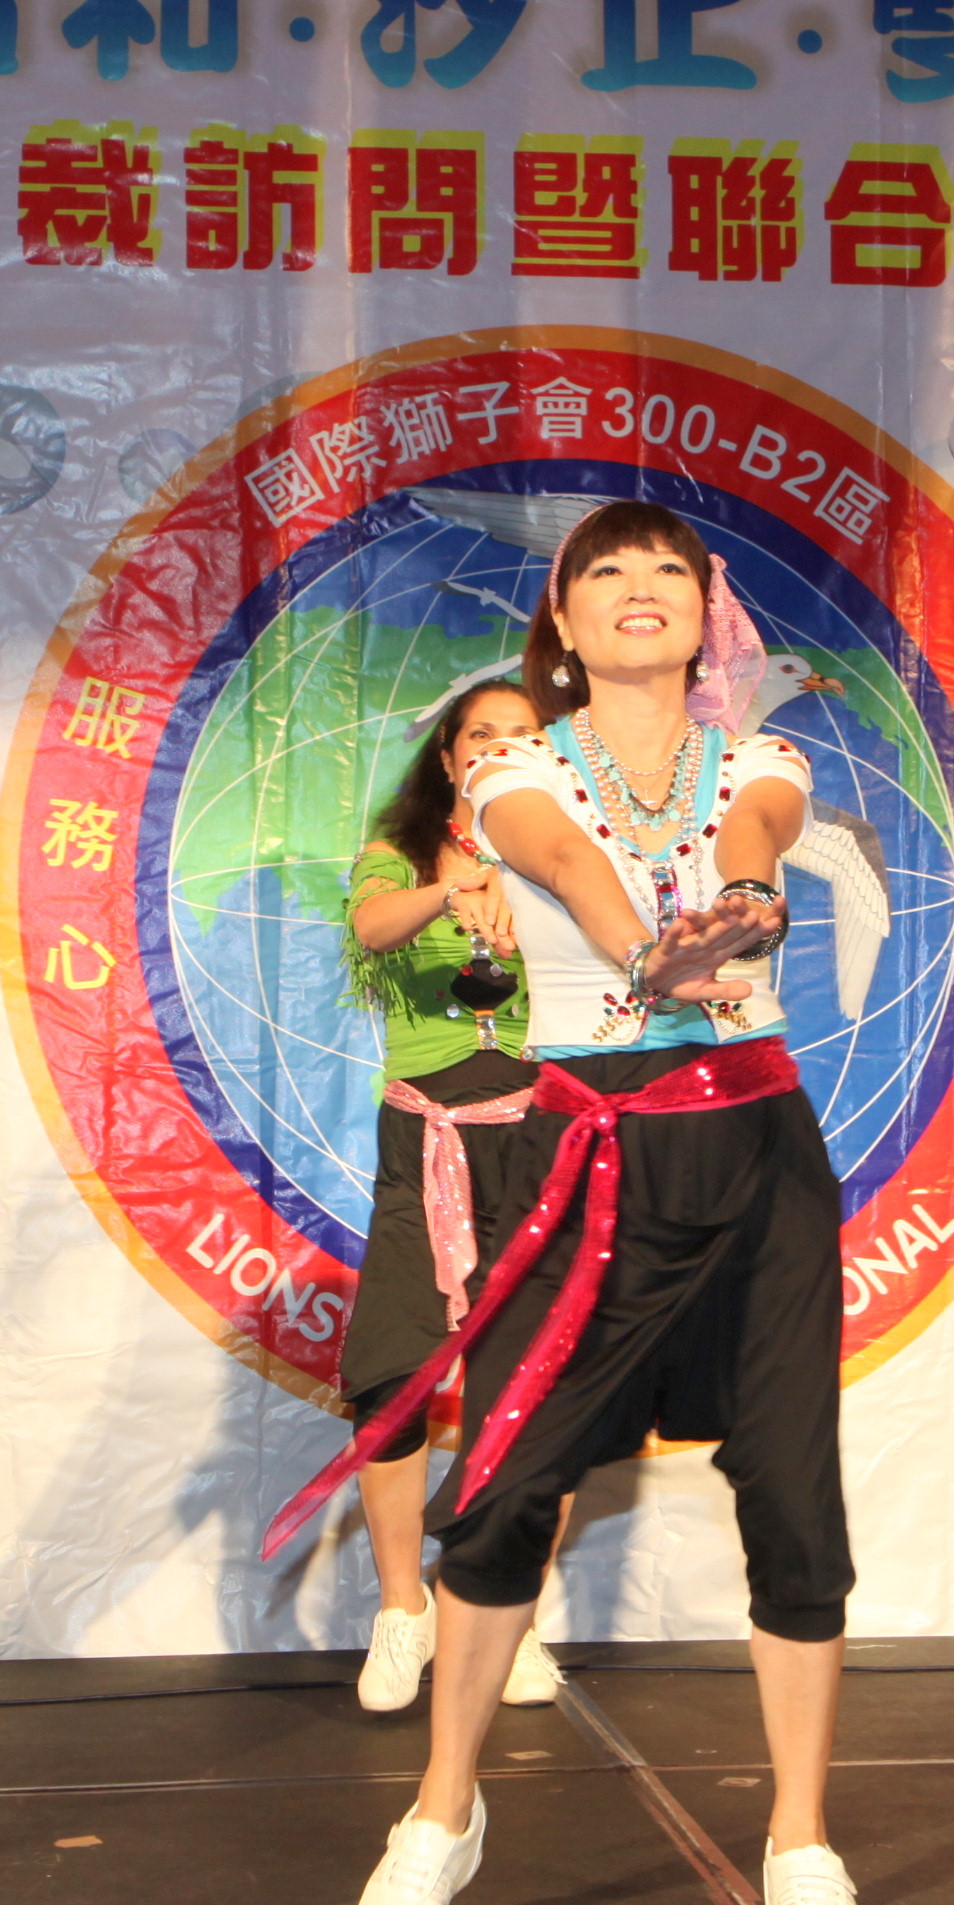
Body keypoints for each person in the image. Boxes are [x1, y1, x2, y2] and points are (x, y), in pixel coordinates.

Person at [268, 501, 862, 1905]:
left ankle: (800, 1836)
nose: (640, 590)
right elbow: (570, 864)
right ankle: (443, 1811)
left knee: (794, 1495)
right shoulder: (513, 772)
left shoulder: (765, 761)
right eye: (608, 571)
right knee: (506, 1485)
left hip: (757, 1158)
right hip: (587, 1156)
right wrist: (648, 950)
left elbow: (753, 839)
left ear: (707, 613)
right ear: (564, 617)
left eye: (669, 570)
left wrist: (739, 901)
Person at [339, 682, 567, 1718]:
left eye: (525, 736)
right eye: (483, 734)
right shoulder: (400, 855)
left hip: (540, 1142)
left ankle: (506, 1610)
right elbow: (374, 925)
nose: (502, 748)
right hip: (424, 1141)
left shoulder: (568, 856)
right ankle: (404, 1609)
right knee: (391, 1378)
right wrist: (451, 891)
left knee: (535, 1387)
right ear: (448, 756)